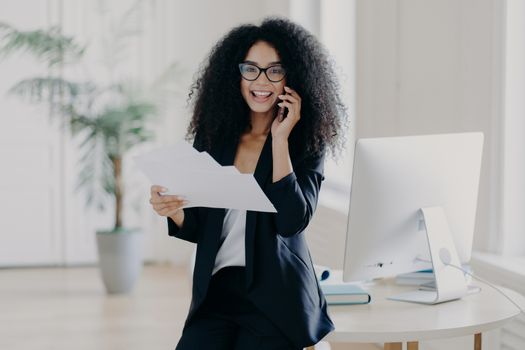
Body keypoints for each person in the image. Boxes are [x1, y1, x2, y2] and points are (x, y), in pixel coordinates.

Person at [149, 17, 348, 350]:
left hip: (277, 299)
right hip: (218, 292)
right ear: (236, 75)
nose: (261, 80)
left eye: (274, 70)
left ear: (291, 76)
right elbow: (200, 227)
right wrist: (174, 210)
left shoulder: (306, 144)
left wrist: (280, 140)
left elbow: (291, 222)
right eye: (251, 69)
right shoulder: (213, 137)